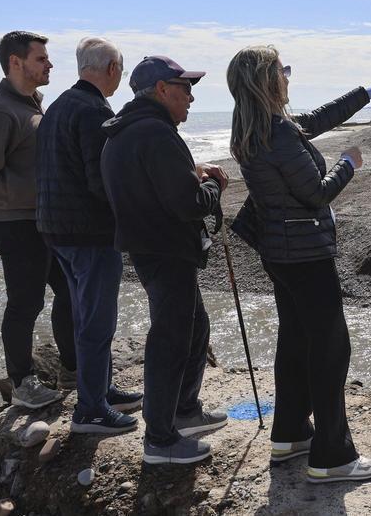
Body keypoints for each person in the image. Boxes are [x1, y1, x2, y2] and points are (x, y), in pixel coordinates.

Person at [226, 44, 371, 483]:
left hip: (279, 254)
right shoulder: (279, 132)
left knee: (296, 340)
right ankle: (332, 455)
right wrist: (349, 162)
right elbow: (316, 194)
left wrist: (368, 92)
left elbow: (316, 119)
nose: (289, 76)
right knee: (330, 347)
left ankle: (289, 434)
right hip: (305, 254)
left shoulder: (257, 129)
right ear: (269, 82)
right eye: (283, 70)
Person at [101, 55, 228, 464]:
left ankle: (184, 412)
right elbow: (187, 202)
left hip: (152, 248)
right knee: (171, 340)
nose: (191, 97)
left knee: (193, 329)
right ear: (161, 90)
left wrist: (193, 172)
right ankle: (160, 438)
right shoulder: (155, 133)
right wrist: (212, 186)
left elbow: (154, 185)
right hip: (166, 250)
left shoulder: (126, 131)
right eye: (185, 88)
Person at [36, 37, 144, 434]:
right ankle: (91, 410)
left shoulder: (59, 105)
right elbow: (100, 180)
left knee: (85, 314)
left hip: (55, 227)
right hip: (89, 232)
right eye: (122, 69)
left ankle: (98, 389)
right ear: (112, 69)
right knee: (97, 321)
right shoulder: (93, 109)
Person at [0, 31, 76, 409]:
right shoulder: (0, 110)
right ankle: (22, 384)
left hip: (40, 219)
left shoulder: (31, 104)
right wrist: (18, 187)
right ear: (16, 62)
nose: (49, 64)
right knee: (26, 304)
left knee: (70, 291)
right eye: (41, 58)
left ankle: (73, 371)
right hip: (15, 222)